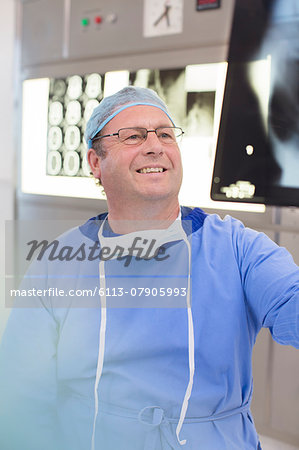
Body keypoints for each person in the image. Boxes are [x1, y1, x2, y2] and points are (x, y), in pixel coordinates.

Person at [0, 86, 298, 450]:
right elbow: (19, 395)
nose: (155, 145)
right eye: (134, 136)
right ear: (95, 162)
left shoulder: (238, 249)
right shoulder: (57, 262)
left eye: (166, 134)